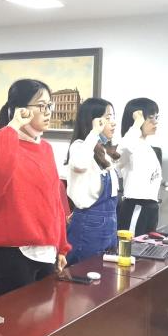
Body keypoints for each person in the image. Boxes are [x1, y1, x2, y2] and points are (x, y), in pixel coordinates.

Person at [0, 79, 70, 295]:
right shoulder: (0, 145)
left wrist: (61, 246)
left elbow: (54, 203)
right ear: (20, 110)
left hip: (46, 250)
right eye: (41, 105)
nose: (47, 111)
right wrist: (12, 126)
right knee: (17, 316)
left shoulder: (46, 148)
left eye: (49, 105)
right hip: (15, 254)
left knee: (47, 313)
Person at [65, 98, 120, 265]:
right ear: (93, 121)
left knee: (105, 273)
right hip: (90, 227)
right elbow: (79, 163)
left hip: (109, 224)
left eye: (113, 117)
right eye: (108, 118)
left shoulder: (102, 150)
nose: (113, 122)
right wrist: (95, 132)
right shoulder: (80, 146)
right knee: (84, 273)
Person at [117, 98, 162, 236]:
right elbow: (122, 150)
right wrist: (137, 123)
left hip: (151, 207)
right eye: (150, 118)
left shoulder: (147, 146)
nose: (155, 122)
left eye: (156, 117)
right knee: (132, 247)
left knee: (147, 247)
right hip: (136, 206)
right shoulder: (130, 145)